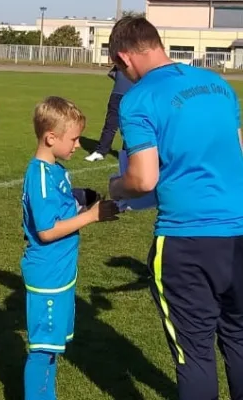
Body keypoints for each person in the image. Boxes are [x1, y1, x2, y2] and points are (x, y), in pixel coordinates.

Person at [108, 16, 243, 400]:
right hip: (238, 230)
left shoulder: (139, 98)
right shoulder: (218, 84)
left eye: (120, 68)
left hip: (187, 237)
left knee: (195, 352)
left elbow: (144, 180)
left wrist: (116, 185)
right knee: (238, 337)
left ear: (124, 57)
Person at [22, 96, 118, 400]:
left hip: (62, 273)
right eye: (74, 138)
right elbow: (47, 231)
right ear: (51, 138)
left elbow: (63, 201)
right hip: (47, 276)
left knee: (52, 349)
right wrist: (90, 216)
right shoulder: (38, 175)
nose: (78, 145)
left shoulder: (57, 170)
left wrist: (85, 196)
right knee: (42, 351)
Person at [85, 64, 133, 162]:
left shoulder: (140, 59)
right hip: (117, 94)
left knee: (129, 126)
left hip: (132, 96)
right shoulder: (121, 58)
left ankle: (126, 153)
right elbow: (112, 73)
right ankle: (101, 152)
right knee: (110, 125)